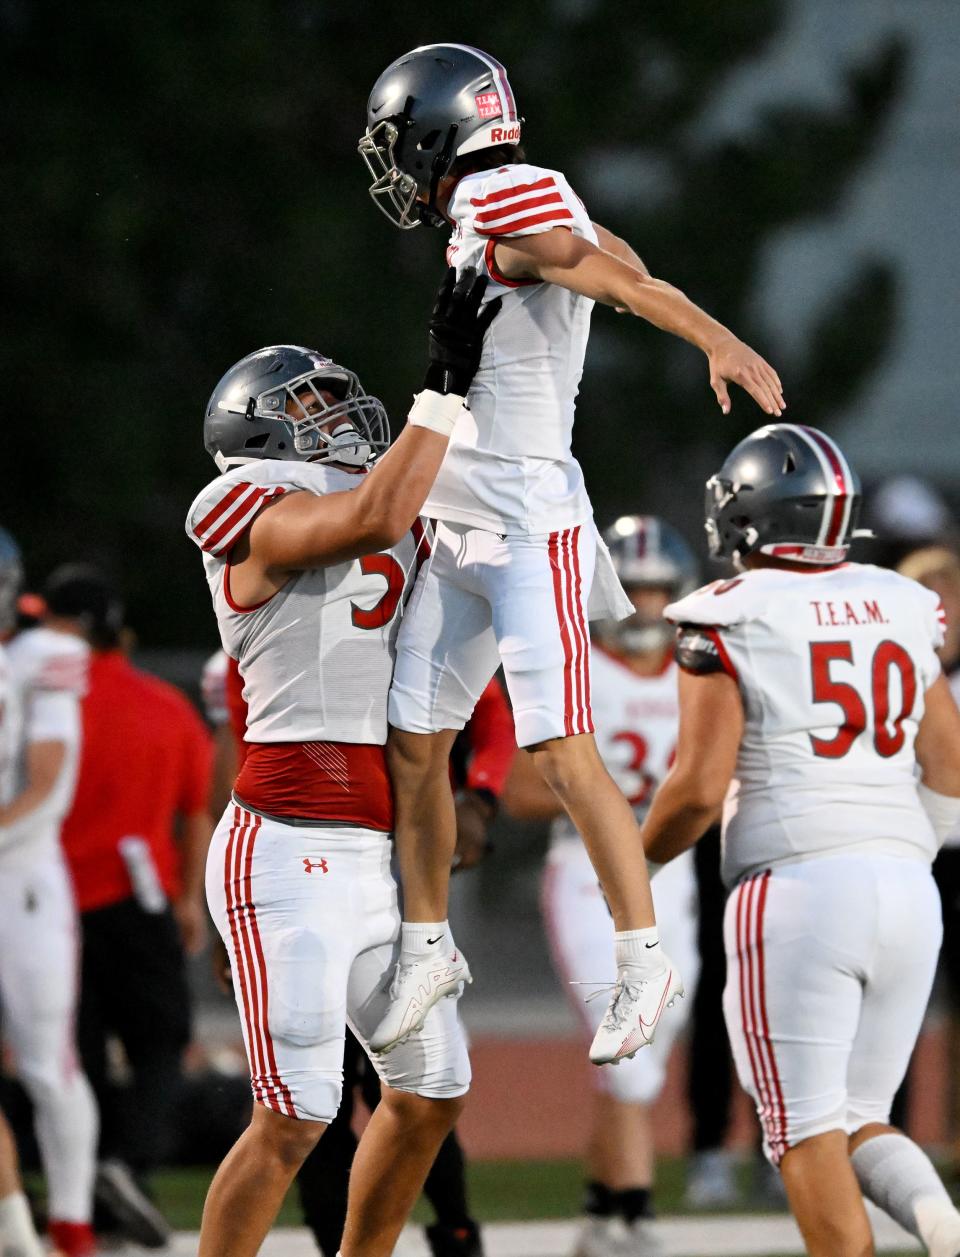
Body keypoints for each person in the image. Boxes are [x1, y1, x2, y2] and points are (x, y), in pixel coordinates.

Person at [357, 43, 786, 1060]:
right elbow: (615, 258)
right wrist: (633, 286)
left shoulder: (505, 200)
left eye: (400, 142)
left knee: (561, 746)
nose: (394, 166)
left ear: (436, 130)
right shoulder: (501, 201)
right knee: (414, 736)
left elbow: (609, 276)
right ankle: (428, 943)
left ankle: (641, 959)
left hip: (522, 519)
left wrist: (709, 335)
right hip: (459, 513)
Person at [185, 271, 497, 1257]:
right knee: (293, 1117)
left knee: (432, 1089)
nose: (335, 417)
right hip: (282, 849)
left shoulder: (383, 497)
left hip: (375, 854)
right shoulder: (248, 505)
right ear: (257, 434)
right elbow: (364, 522)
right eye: (309, 406)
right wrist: (442, 391)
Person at [640, 422, 960, 1257]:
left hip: (799, 889)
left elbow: (698, 788)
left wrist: (628, 866)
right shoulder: (899, 599)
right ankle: (946, 1229)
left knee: (802, 1133)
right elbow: (950, 760)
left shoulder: (728, 613)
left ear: (747, 515)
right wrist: (908, 851)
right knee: (860, 1120)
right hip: (907, 888)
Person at [200, 646, 512, 1257]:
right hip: (293, 852)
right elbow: (233, 769)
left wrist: (482, 794)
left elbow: (490, 708)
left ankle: (447, 1232)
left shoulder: (414, 609)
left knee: (431, 1087)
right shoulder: (281, 611)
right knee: (304, 1108)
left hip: (394, 864)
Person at [503, 516, 701, 1257]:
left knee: (646, 1057)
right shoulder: (574, 665)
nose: (645, 607)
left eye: (657, 592)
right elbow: (524, 790)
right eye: (634, 590)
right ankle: (635, 1216)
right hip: (588, 874)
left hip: (670, 873)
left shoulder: (696, 671)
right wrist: (603, 798)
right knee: (629, 1056)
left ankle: (598, 1207)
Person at [52, 563, 214, 1250]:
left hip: (55, 905)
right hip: (140, 898)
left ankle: (92, 1176)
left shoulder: (43, 704)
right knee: (161, 1042)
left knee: (78, 1055)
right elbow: (196, 811)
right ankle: (128, 1165)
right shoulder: (164, 706)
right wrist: (189, 900)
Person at [0, 529, 99, 1257]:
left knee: (47, 1062)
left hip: (21, 882)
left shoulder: (40, 659)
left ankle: (70, 1223)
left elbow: (48, 783)